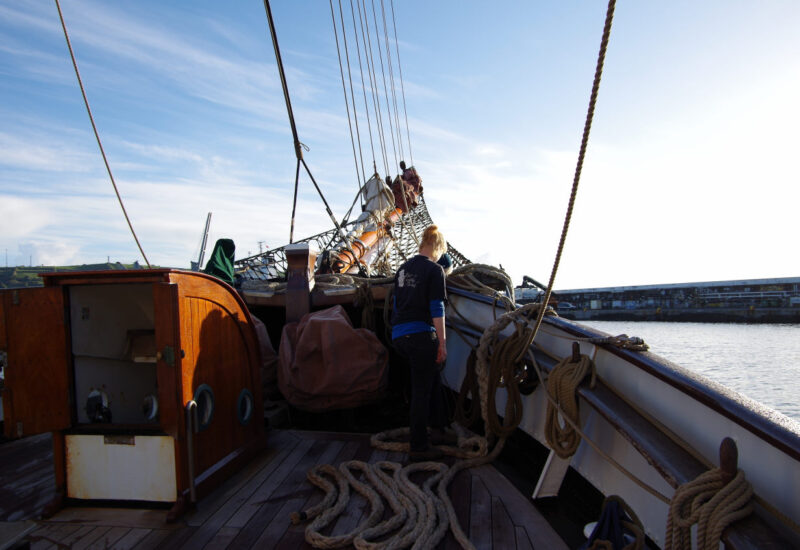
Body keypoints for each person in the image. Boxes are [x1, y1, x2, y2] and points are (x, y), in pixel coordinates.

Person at [391, 225, 448, 461]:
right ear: (437, 248)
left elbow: (396, 305)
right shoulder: (435, 271)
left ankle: (438, 429)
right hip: (421, 336)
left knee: (431, 378)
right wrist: (442, 344)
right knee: (421, 391)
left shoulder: (402, 269)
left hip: (399, 336)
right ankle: (419, 447)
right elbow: (437, 307)